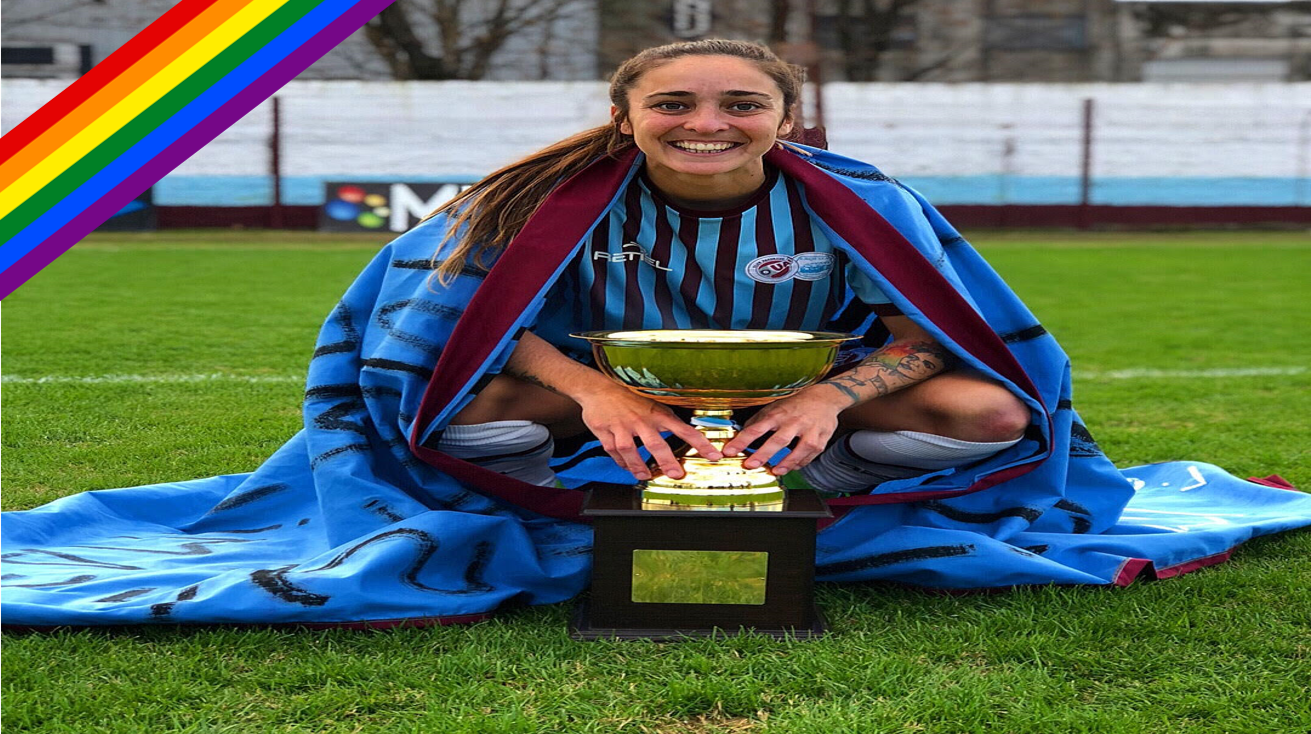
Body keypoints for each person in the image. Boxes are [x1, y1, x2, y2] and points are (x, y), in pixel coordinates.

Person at [432, 39, 1030, 495]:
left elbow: (927, 338)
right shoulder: (544, 197)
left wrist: (825, 401)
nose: (707, 124)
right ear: (623, 116)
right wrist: (594, 392)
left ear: (786, 119)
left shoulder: (863, 198)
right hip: (616, 385)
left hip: (794, 385)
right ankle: (539, 501)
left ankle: (820, 479)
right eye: (672, 104)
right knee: (443, 407)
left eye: (742, 105)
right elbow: (475, 324)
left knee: (992, 413)